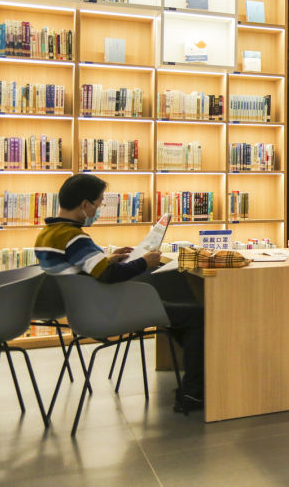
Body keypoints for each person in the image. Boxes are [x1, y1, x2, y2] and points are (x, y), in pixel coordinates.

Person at [33, 174, 204, 411]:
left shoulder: (48, 233)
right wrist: (144, 262)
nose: (99, 209)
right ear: (85, 205)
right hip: (105, 310)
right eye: (99, 203)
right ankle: (194, 392)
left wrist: (109, 259)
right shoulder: (74, 237)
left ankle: (196, 378)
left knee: (177, 313)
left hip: (83, 308)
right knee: (198, 317)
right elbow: (108, 276)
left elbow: (83, 270)